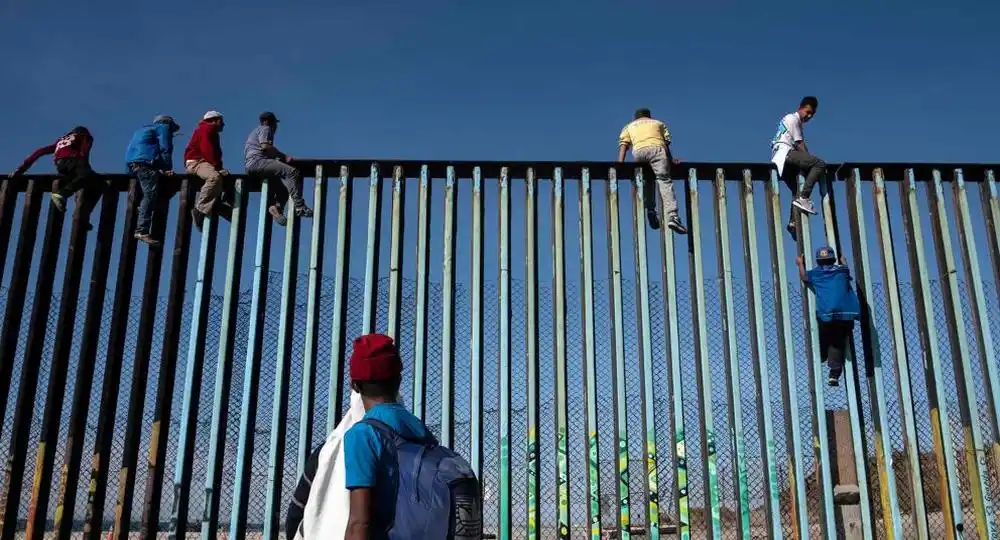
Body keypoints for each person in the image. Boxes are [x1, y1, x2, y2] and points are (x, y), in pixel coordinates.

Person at [343, 334, 482, 540]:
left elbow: (359, 522)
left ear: (355, 385)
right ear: (398, 380)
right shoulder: (419, 431)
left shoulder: (362, 435)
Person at [796, 246, 861, 386]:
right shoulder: (843, 271)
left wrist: (800, 264)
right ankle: (834, 373)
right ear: (834, 259)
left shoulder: (816, 273)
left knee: (824, 335)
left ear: (818, 262)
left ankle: (821, 355)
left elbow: (804, 277)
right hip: (846, 314)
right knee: (837, 342)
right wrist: (844, 261)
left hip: (827, 314)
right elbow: (845, 267)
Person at [617, 108, 688, 234]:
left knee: (649, 179)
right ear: (649, 116)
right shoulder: (658, 123)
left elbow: (624, 144)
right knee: (664, 180)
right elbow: (666, 144)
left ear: (636, 118)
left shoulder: (629, 126)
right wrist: (670, 161)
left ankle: (650, 209)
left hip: (639, 152)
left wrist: (620, 164)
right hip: (657, 149)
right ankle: (673, 216)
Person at [244, 111, 313, 226]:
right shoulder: (265, 129)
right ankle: (300, 207)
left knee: (283, 190)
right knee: (292, 172)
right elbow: (265, 147)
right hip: (258, 162)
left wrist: (277, 158)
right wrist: (284, 157)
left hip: (252, 166)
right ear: (269, 122)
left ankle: (275, 208)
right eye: (275, 124)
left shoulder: (254, 133)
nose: (276, 127)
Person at [771, 96, 825, 237]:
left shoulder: (789, 120)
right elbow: (800, 144)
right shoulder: (793, 119)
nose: (809, 116)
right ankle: (805, 198)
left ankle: (792, 222)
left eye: (811, 115)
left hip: (779, 158)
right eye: (807, 112)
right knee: (819, 163)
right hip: (786, 153)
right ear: (800, 108)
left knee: (796, 189)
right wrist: (809, 159)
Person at [125, 115, 179, 245]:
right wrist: (166, 168)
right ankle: (142, 230)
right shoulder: (163, 127)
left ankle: (142, 208)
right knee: (150, 194)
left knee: (146, 194)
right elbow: (165, 148)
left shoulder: (142, 130)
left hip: (132, 165)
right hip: (145, 164)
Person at [185, 110, 231, 228]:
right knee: (214, 177)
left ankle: (217, 203)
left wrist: (219, 167)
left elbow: (215, 153)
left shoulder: (211, 132)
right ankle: (200, 209)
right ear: (215, 120)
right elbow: (207, 149)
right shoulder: (207, 129)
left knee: (222, 176)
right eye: (221, 121)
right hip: (197, 162)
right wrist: (216, 167)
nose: (223, 125)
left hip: (205, 161)